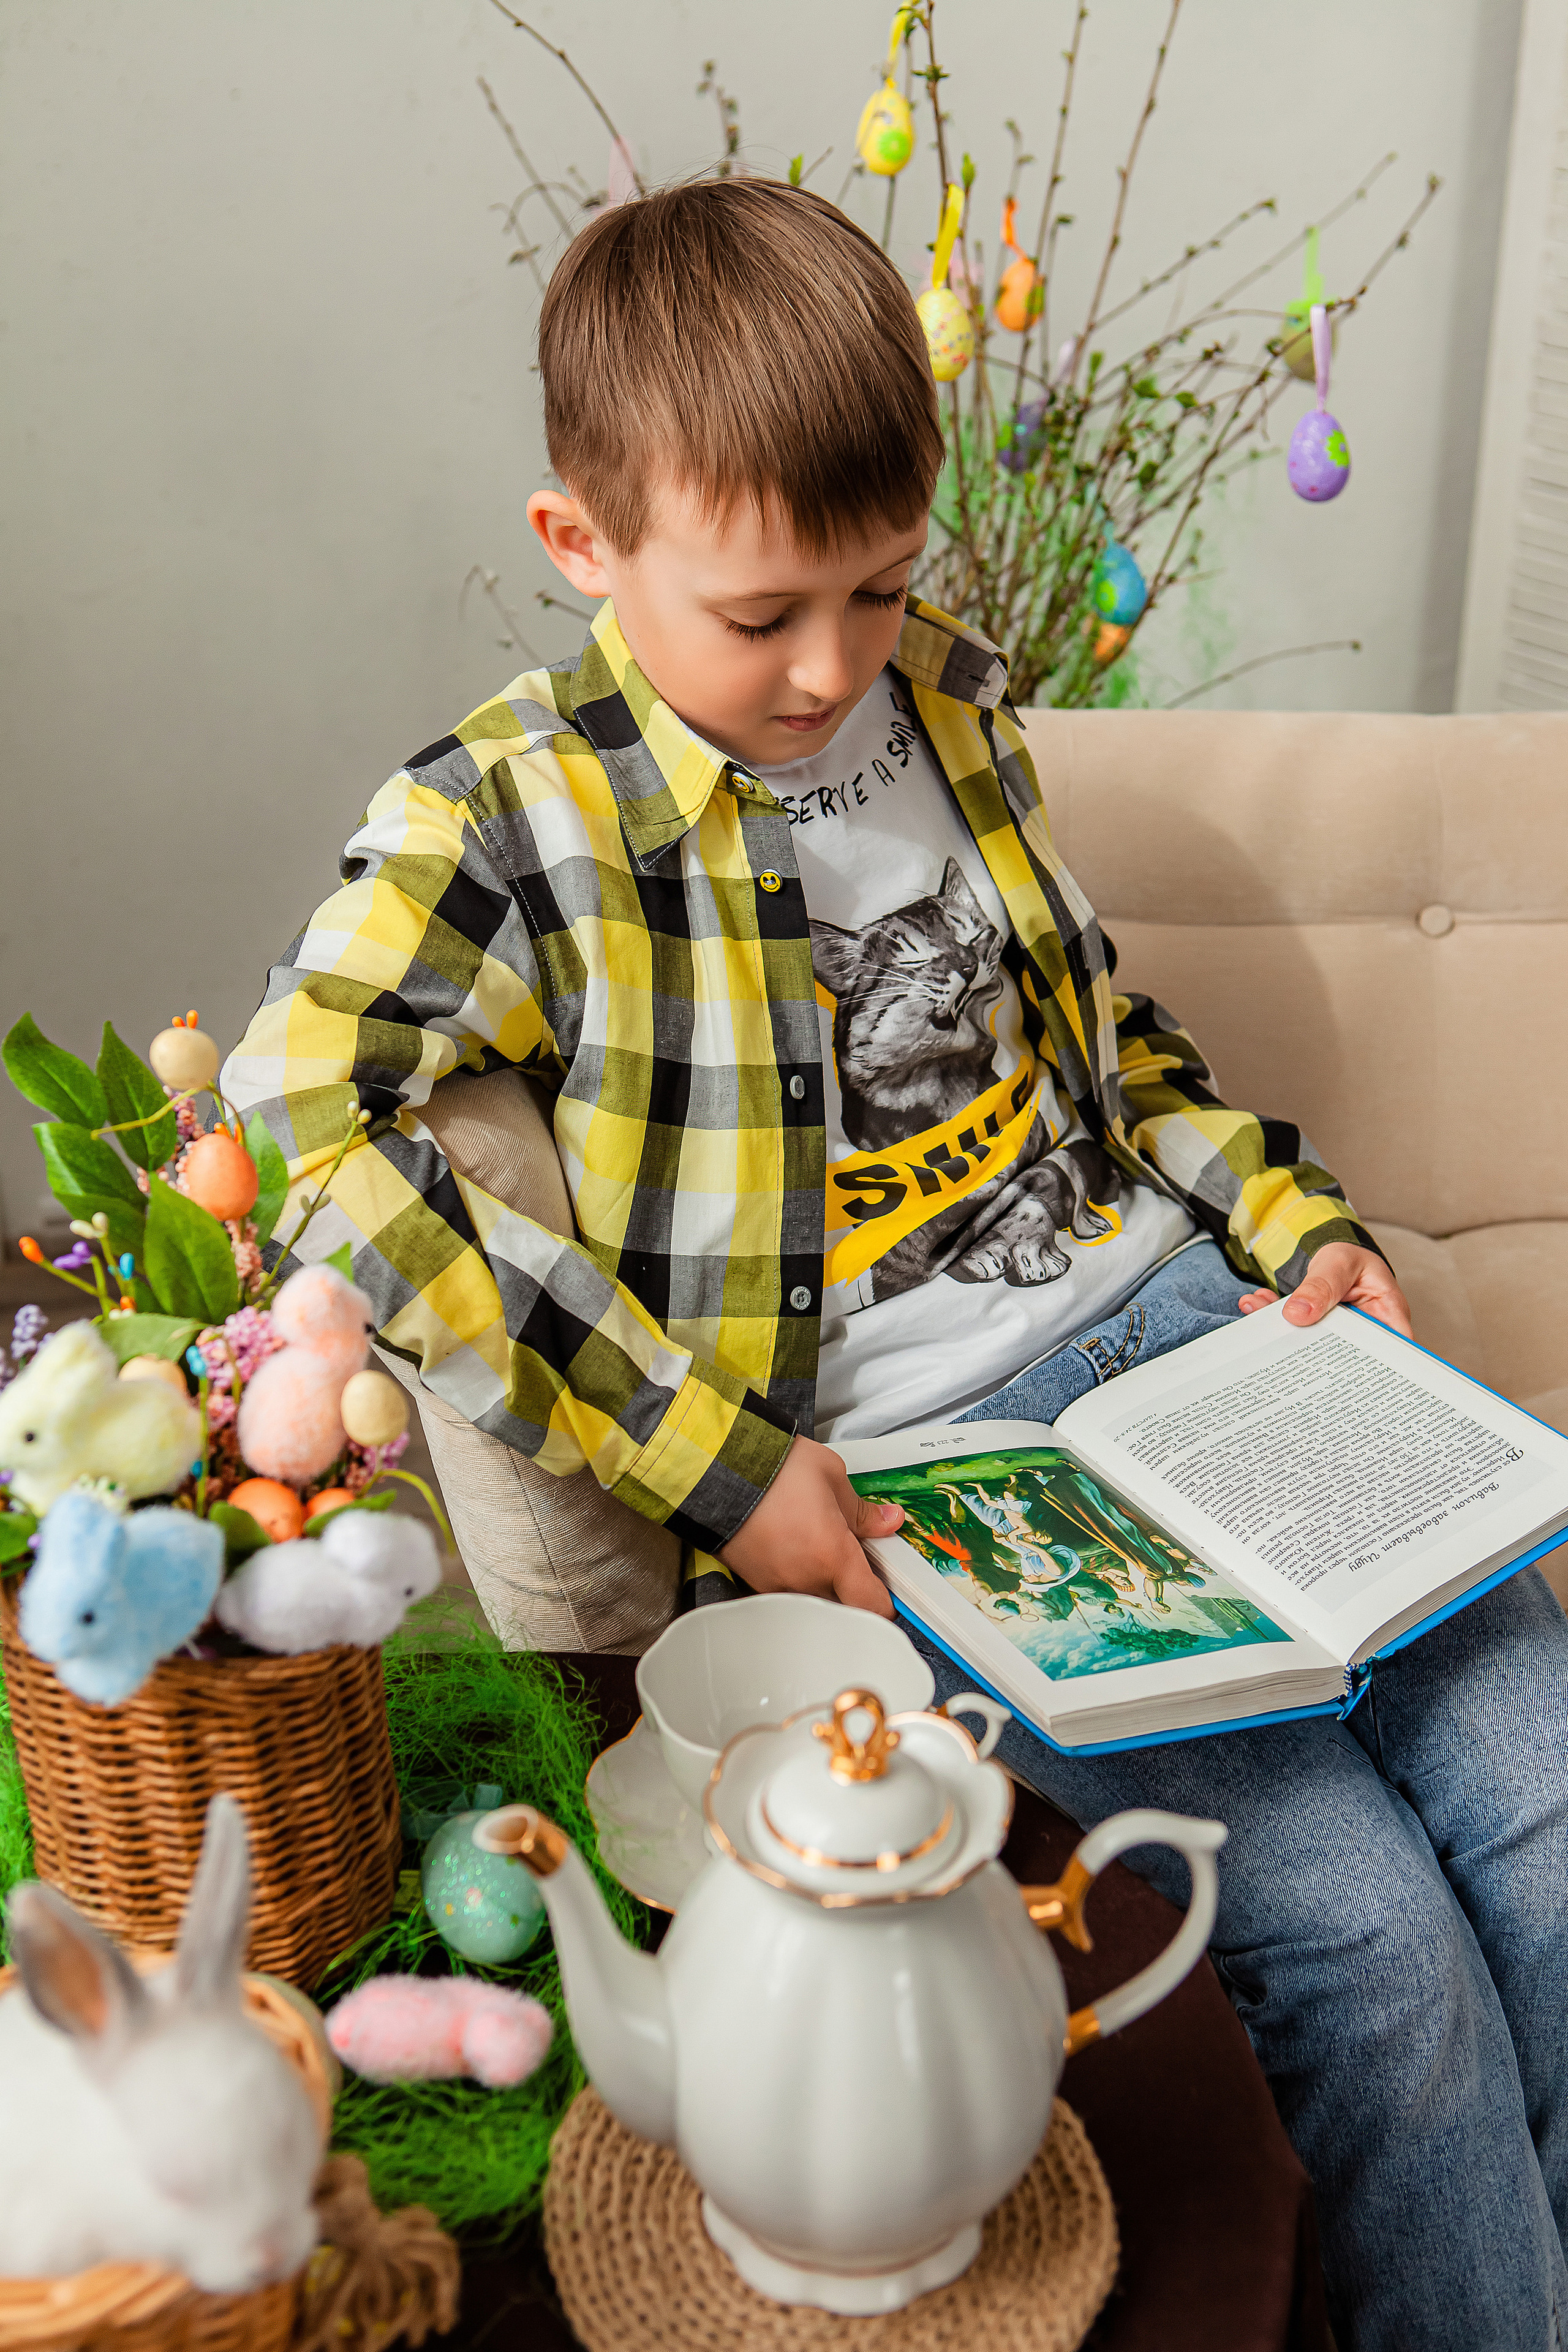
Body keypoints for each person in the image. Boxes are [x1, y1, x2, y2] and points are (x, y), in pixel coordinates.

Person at [226, 178, 1568, 2349]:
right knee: (1373, 1945)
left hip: (1203, 1343)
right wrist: (715, 1460)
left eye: (879, 584)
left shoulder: (945, 718)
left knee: (1558, 1809)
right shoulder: (507, 814)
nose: (832, 663)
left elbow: (1105, 1046)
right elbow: (306, 1114)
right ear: (585, 543)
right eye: (764, 614)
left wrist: (1295, 1221)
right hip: (958, 1474)